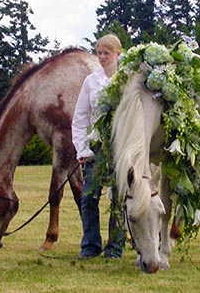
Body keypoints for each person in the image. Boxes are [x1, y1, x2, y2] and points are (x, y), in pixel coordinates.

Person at [71, 34, 125, 259]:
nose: (102, 57)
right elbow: (80, 116)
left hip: (122, 147)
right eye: (99, 53)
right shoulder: (91, 81)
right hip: (97, 147)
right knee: (88, 197)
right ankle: (90, 246)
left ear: (118, 54)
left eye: (106, 53)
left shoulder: (127, 79)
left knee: (119, 198)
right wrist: (82, 148)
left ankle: (115, 247)